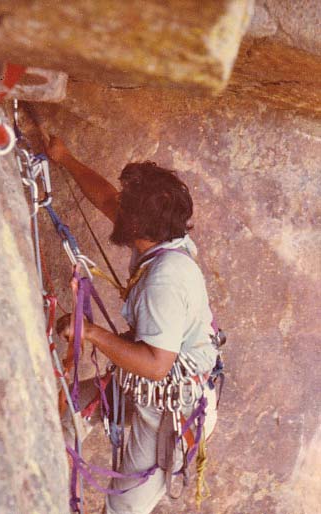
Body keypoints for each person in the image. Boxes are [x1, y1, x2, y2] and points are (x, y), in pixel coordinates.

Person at [45, 135, 219, 514]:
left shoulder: (164, 279)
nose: (117, 207)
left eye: (126, 207)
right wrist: (65, 159)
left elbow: (156, 365)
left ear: (138, 224)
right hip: (150, 383)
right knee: (66, 408)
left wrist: (90, 332)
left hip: (167, 413)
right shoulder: (162, 240)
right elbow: (106, 198)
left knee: (123, 507)